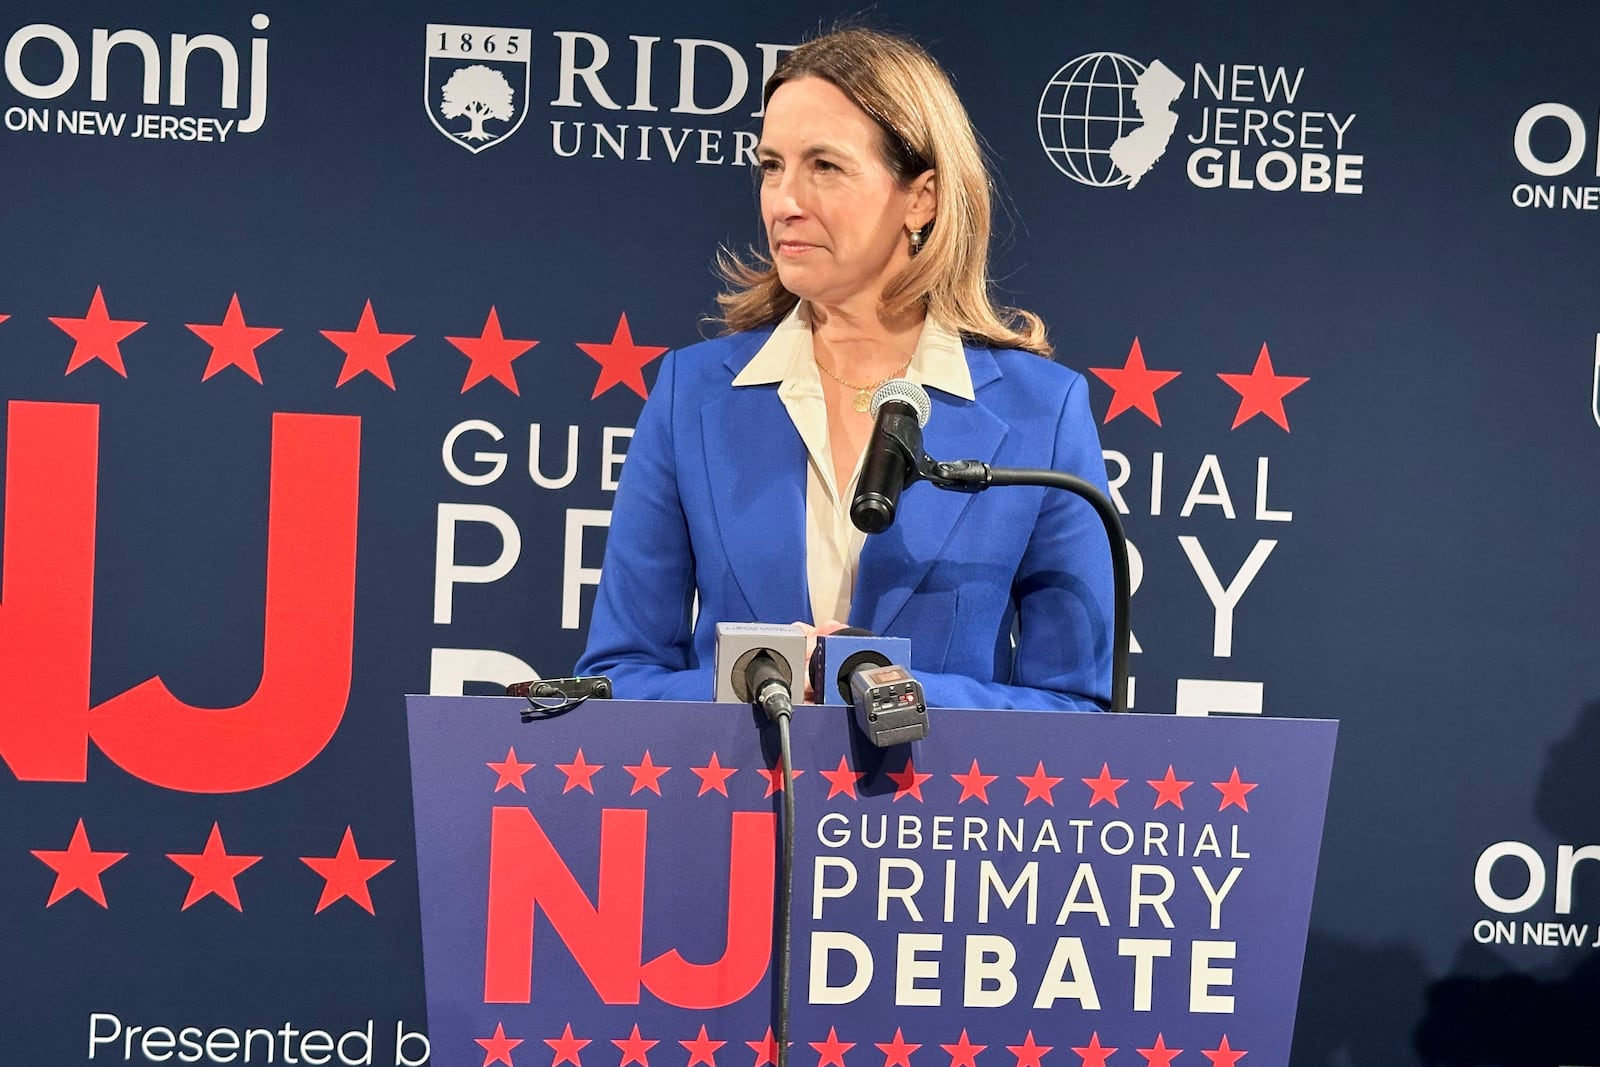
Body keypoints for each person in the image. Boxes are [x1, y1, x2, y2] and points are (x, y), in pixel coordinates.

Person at [576, 27, 1113, 711]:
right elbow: (620, 676)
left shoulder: (1043, 411)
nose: (783, 201)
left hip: (944, 814)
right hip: (736, 809)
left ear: (921, 197)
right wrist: (764, 688)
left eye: (823, 166)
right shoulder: (692, 393)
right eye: (771, 166)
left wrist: (895, 695)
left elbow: (1077, 708)